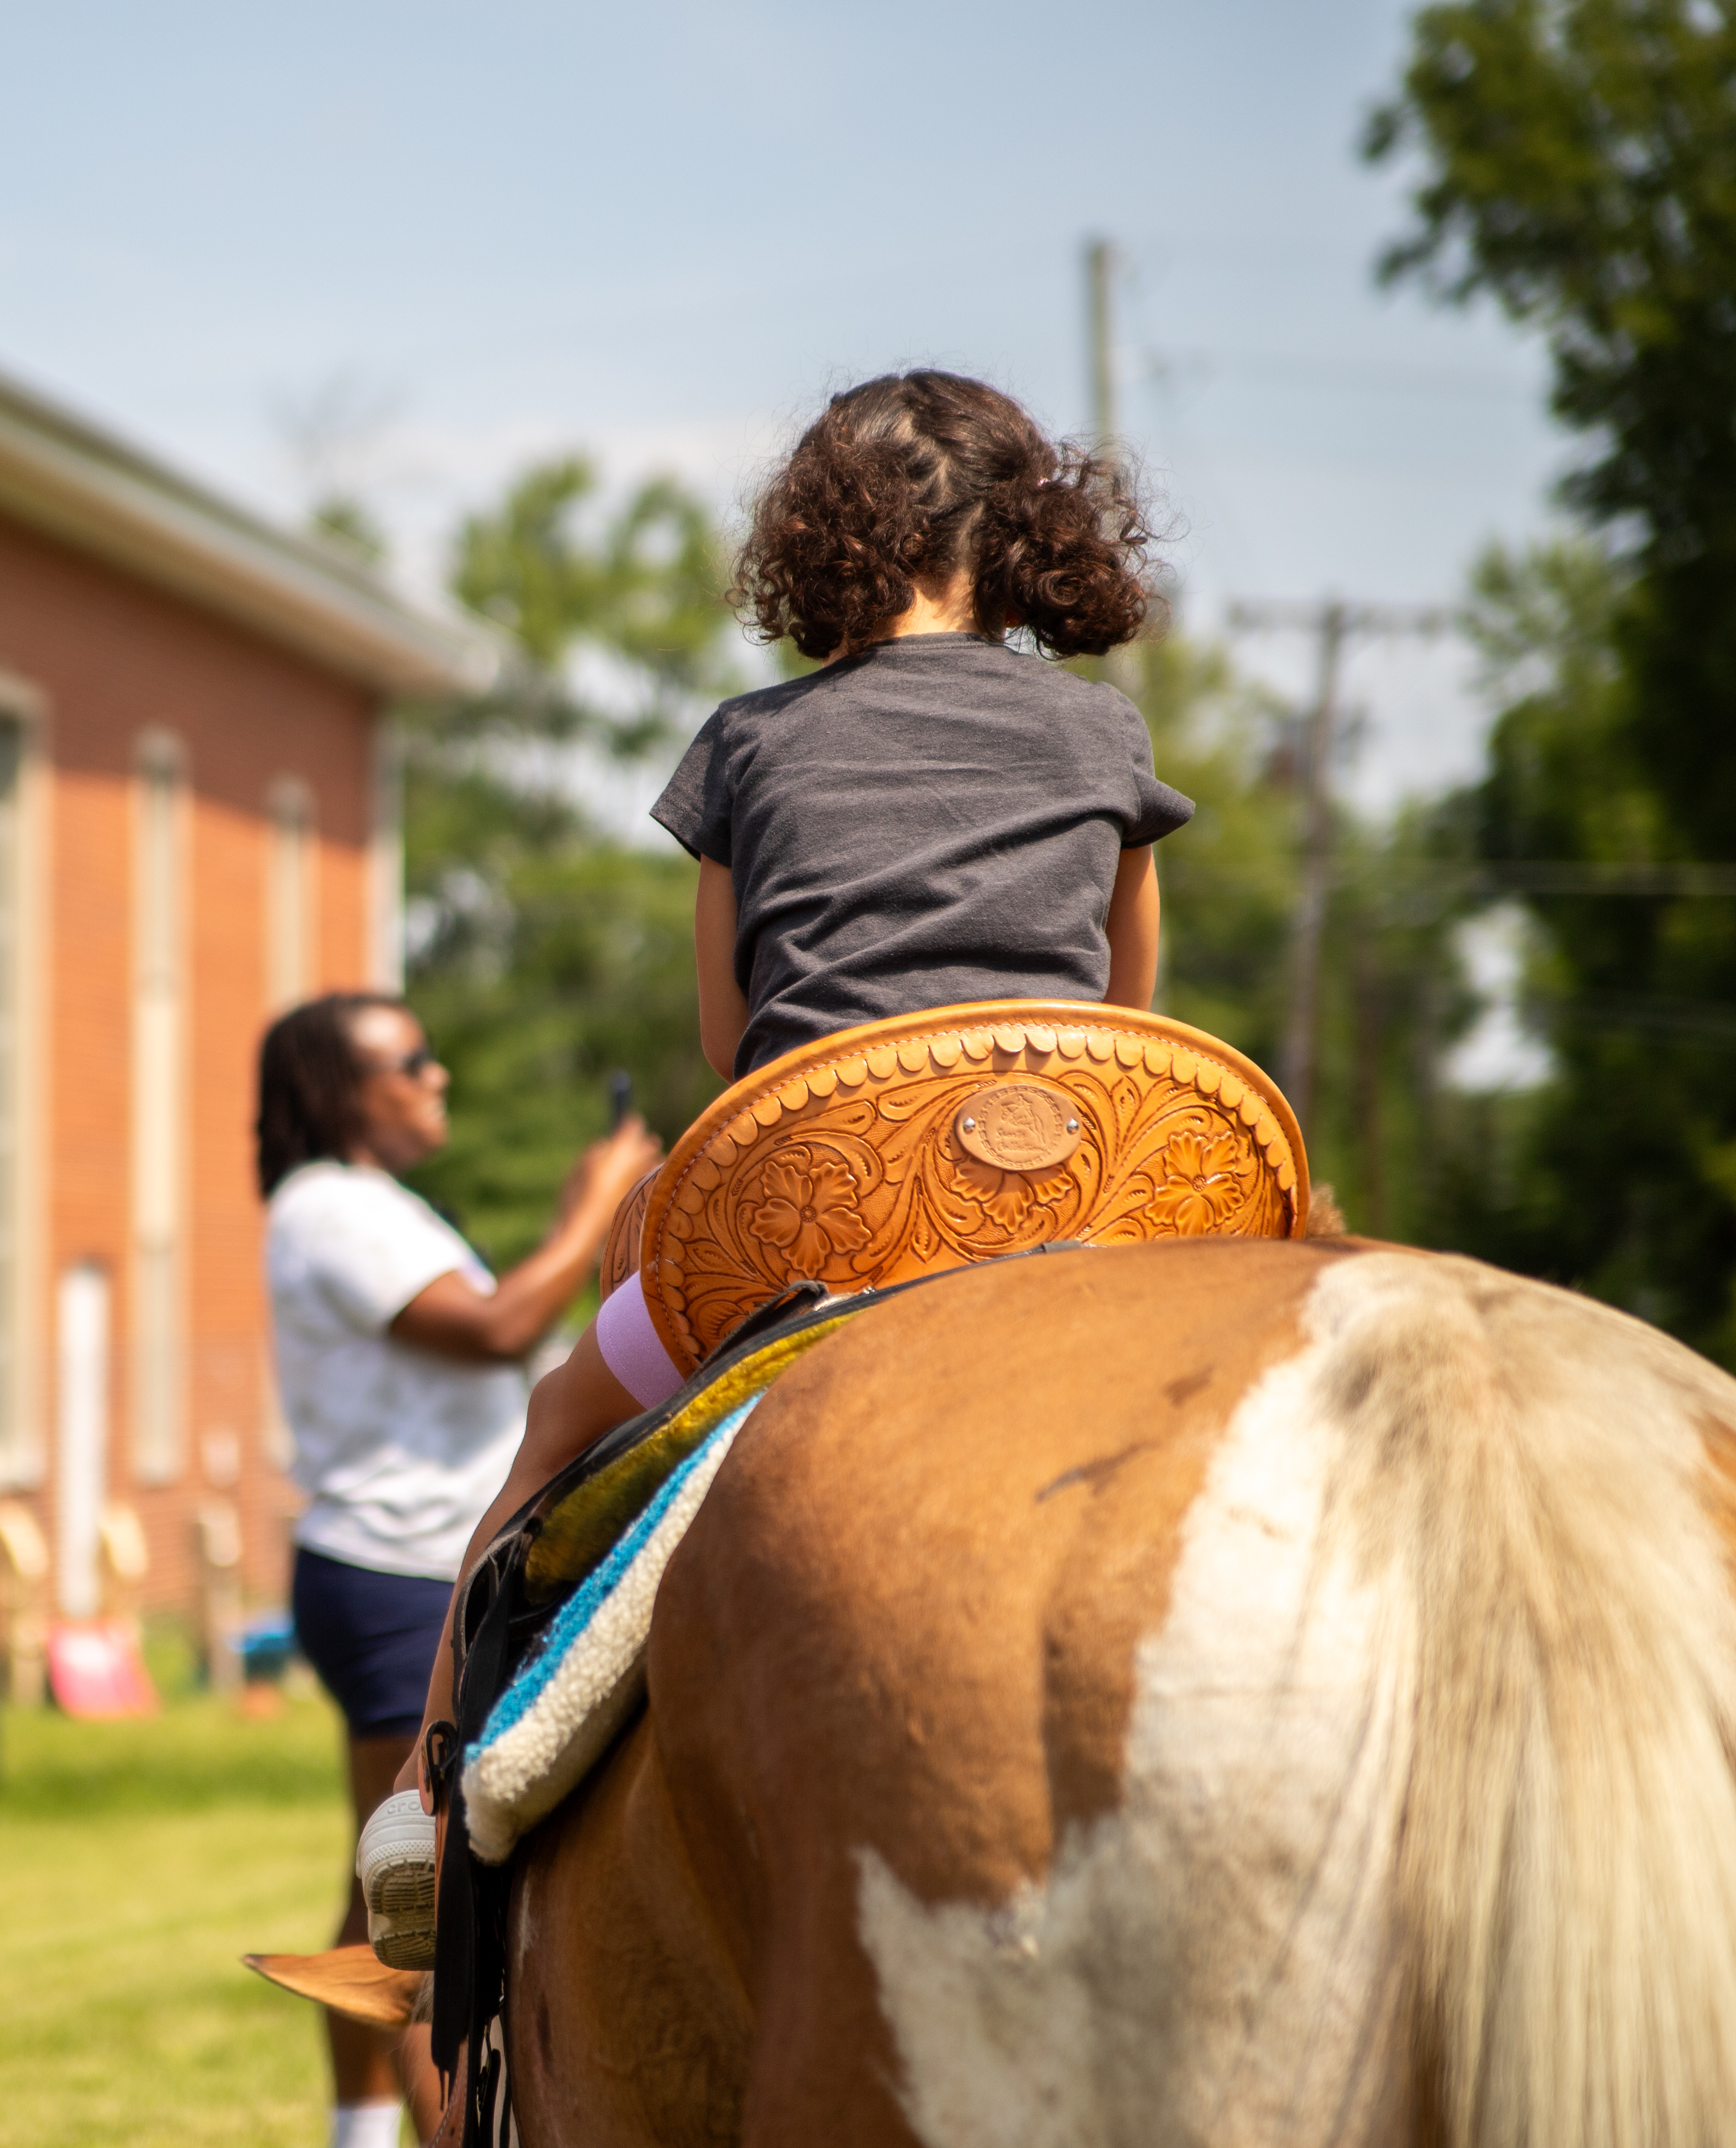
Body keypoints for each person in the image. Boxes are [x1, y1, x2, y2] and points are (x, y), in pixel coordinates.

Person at [380, 369, 1193, 1916]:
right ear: (1021, 534)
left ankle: (425, 1823)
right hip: (1053, 1217)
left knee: (557, 1422)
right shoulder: (1100, 734)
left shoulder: (748, 746)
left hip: (806, 1218)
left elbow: (727, 1033)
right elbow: (1126, 1020)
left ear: (819, 539)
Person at [255, 991, 659, 2148]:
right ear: (338, 1091)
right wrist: (595, 1207)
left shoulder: (372, 1206)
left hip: (413, 1562)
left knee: (404, 1877)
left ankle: (369, 2130)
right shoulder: (330, 1206)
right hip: (398, 1571)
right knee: (418, 1885)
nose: (437, 1077)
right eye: (410, 1061)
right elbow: (491, 1328)